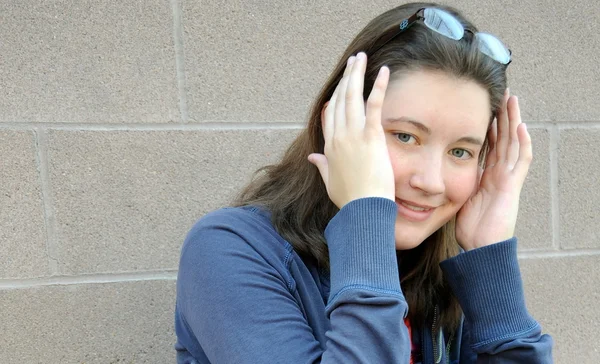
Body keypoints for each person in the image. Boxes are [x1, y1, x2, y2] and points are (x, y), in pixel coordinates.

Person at [174, 2, 554, 363]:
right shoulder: (229, 248)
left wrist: (490, 263)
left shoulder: (435, 265)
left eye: (460, 152)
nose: (431, 182)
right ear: (338, 124)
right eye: (406, 136)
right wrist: (364, 218)